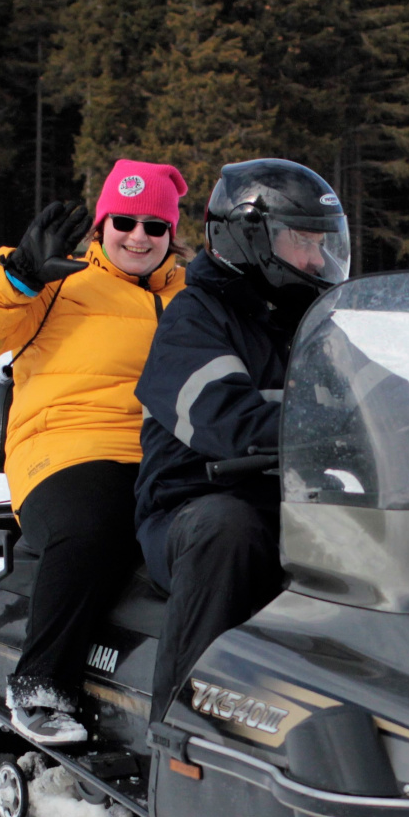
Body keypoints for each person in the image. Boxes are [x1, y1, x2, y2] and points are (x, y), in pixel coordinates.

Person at [0, 159, 190, 744]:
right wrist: (18, 274)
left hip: (169, 456)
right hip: (65, 450)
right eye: (124, 222)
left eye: (154, 226)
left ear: (171, 234)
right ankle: (41, 687)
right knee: (94, 524)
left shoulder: (194, 294)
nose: (138, 237)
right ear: (102, 226)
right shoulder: (57, 283)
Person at [133, 159, 351, 720]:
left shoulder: (310, 325)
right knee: (227, 531)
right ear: (249, 239)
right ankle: (179, 730)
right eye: (301, 242)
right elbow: (228, 420)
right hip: (191, 505)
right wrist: (339, 436)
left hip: (294, 501)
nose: (316, 259)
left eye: (321, 243)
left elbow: (382, 395)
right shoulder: (194, 319)